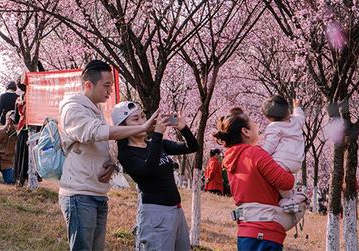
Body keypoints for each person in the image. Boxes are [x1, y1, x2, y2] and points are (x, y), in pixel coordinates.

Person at [58, 60, 158, 251]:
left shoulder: (96, 110)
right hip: (79, 193)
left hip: (97, 193)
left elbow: (102, 143)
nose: (110, 90)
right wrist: (142, 127)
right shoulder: (72, 108)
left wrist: (111, 163)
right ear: (89, 85)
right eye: (106, 85)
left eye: (111, 85)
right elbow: (94, 132)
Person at [114, 102, 199, 251]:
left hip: (176, 211)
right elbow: (148, 170)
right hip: (156, 215)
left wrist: (183, 128)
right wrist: (157, 135)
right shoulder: (126, 154)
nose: (143, 122)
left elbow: (192, 147)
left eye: (142, 117)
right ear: (122, 127)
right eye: (135, 119)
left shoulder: (157, 144)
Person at [215, 107, 295, 251]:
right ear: (245, 132)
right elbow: (286, 182)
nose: (257, 126)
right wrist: (289, 168)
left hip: (245, 231)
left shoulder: (230, 158)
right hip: (266, 230)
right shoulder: (255, 153)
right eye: (253, 123)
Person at [259, 95, 305, 206]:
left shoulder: (274, 127)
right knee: (284, 179)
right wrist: (297, 107)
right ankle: (293, 195)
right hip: (297, 161)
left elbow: (269, 147)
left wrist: (259, 154)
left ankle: (291, 199)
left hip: (282, 161)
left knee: (277, 178)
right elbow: (300, 115)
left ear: (269, 118)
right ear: (288, 110)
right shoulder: (296, 121)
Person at [13, 76, 29, 186]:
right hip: (32, 127)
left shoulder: (19, 99)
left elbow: (16, 119)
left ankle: (20, 177)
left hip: (21, 128)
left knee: (20, 153)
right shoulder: (33, 97)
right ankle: (29, 177)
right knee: (29, 154)